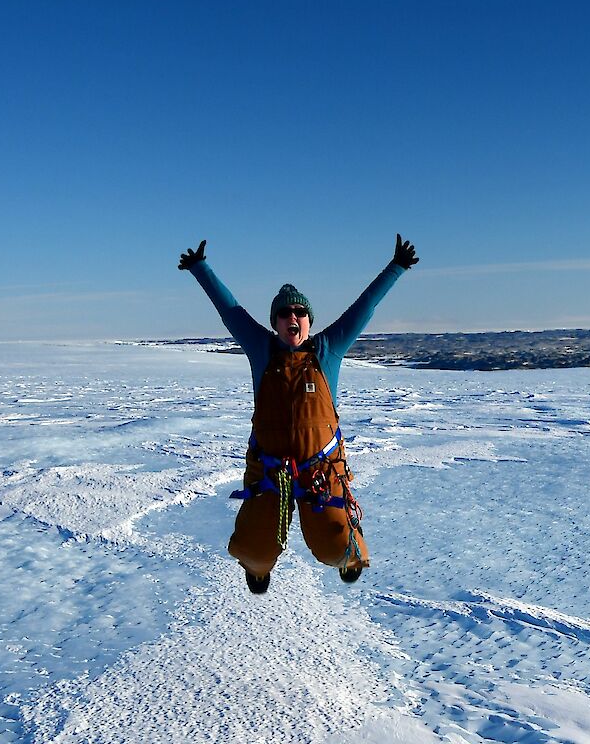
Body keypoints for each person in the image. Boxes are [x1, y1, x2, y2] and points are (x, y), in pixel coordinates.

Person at [178, 235, 418, 593]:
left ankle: (347, 548)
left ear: (309, 320)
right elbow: (231, 312)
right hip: (270, 470)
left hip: (321, 470)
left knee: (338, 548)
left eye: (300, 312)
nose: (294, 317)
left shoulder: (327, 350)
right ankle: (258, 568)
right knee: (252, 547)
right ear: (275, 322)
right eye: (285, 313)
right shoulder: (262, 350)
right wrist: (201, 268)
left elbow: (362, 309)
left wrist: (396, 267)